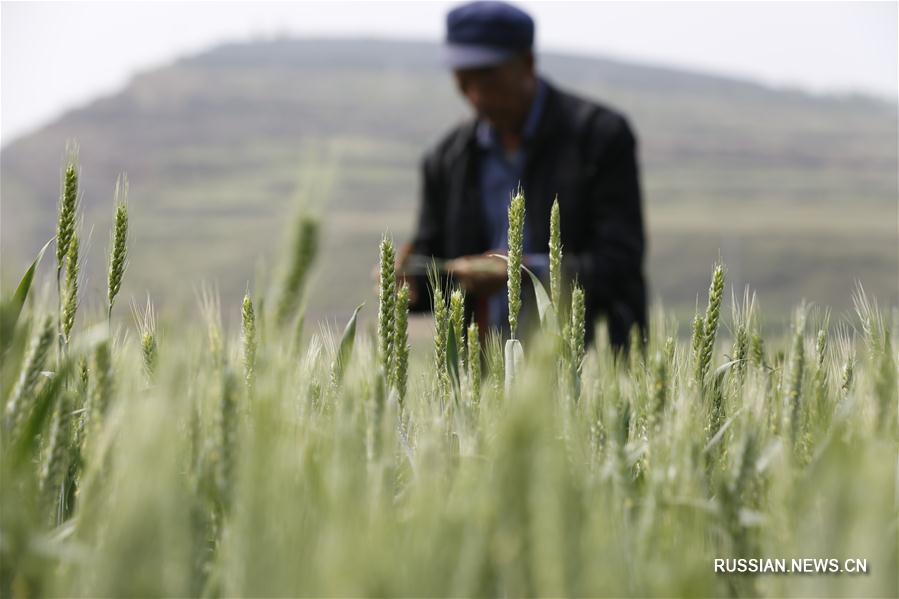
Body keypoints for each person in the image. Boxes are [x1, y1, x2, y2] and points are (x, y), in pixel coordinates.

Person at [396, 0, 648, 351]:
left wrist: (523, 271)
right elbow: (438, 273)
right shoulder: (445, 159)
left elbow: (619, 263)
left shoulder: (599, 138)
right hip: (482, 379)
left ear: (527, 63)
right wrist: (409, 283)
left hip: (587, 371)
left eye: (488, 77)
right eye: (463, 79)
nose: (475, 94)